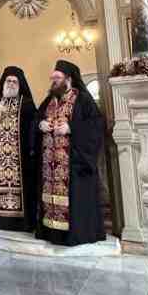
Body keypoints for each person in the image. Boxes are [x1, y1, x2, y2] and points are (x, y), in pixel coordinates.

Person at [36, 61, 106, 246]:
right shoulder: (50, 100)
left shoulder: (82, 98)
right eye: (53, 78)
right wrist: (41, 124)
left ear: (68, 79)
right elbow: (37, 118)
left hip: (74, 163)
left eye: (57, 78)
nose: (53, 81)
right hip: (50, 166)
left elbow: (96, 125)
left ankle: (74, 236)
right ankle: (52, 233)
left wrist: (71, 128)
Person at [0, 68, 39, 232]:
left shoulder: (27, 105)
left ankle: (23, 223)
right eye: (8, 81)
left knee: (25, 190)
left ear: (20, 85)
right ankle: (1, 221)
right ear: (3, 83)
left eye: (14, 81)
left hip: (21, 160)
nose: (11, 84)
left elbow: (34, 126)